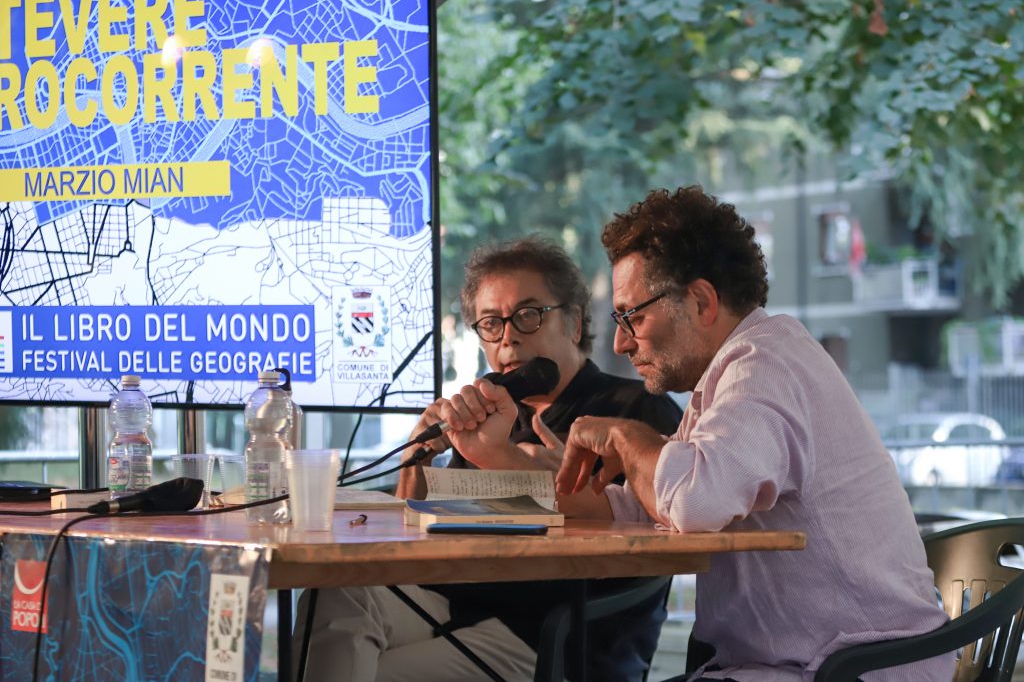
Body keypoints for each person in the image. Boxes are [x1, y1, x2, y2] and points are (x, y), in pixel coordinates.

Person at [554, 186, 954, 681]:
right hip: (805, 663)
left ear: (701, 301)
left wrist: (626, 439)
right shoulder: (732, 375)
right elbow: (658, 502)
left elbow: (693, 500)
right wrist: (532, 491)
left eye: (631, 316)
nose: (620, 341)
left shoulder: (764, 364)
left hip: (855, 668)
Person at [294, 236, 682, 682]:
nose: (509, 336)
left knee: (373, 675)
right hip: (456, 600)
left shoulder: (635, 411)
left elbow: (662, 529)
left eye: (528, 315)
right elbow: (416, 538)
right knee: (334, 595)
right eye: (491, 323)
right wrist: (418, 454)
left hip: (555, 629)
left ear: (574, 323)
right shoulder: (488, 411)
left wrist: (521, 466)